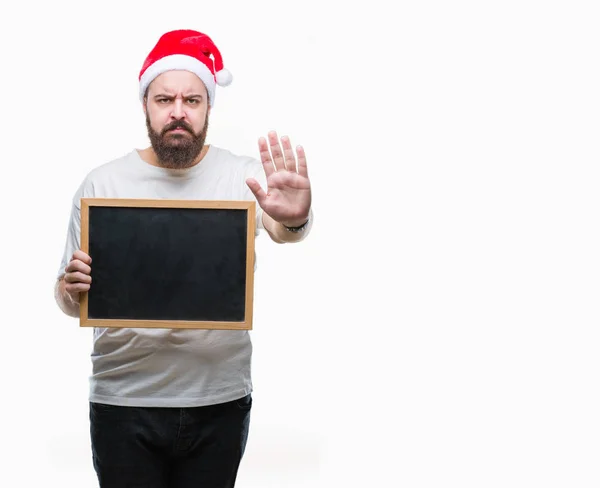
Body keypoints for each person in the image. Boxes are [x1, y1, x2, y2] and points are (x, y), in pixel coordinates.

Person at [53, 29, 313, 488]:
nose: (177, 112)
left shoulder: (244, 176)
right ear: (145, 105)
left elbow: (281, 229)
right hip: (123, 401)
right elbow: (68, 296)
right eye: (164, 99)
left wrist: (294, 219)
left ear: (209, 106)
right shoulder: (102, 184)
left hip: (219, 399)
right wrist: (69, 289)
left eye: (192, 100)